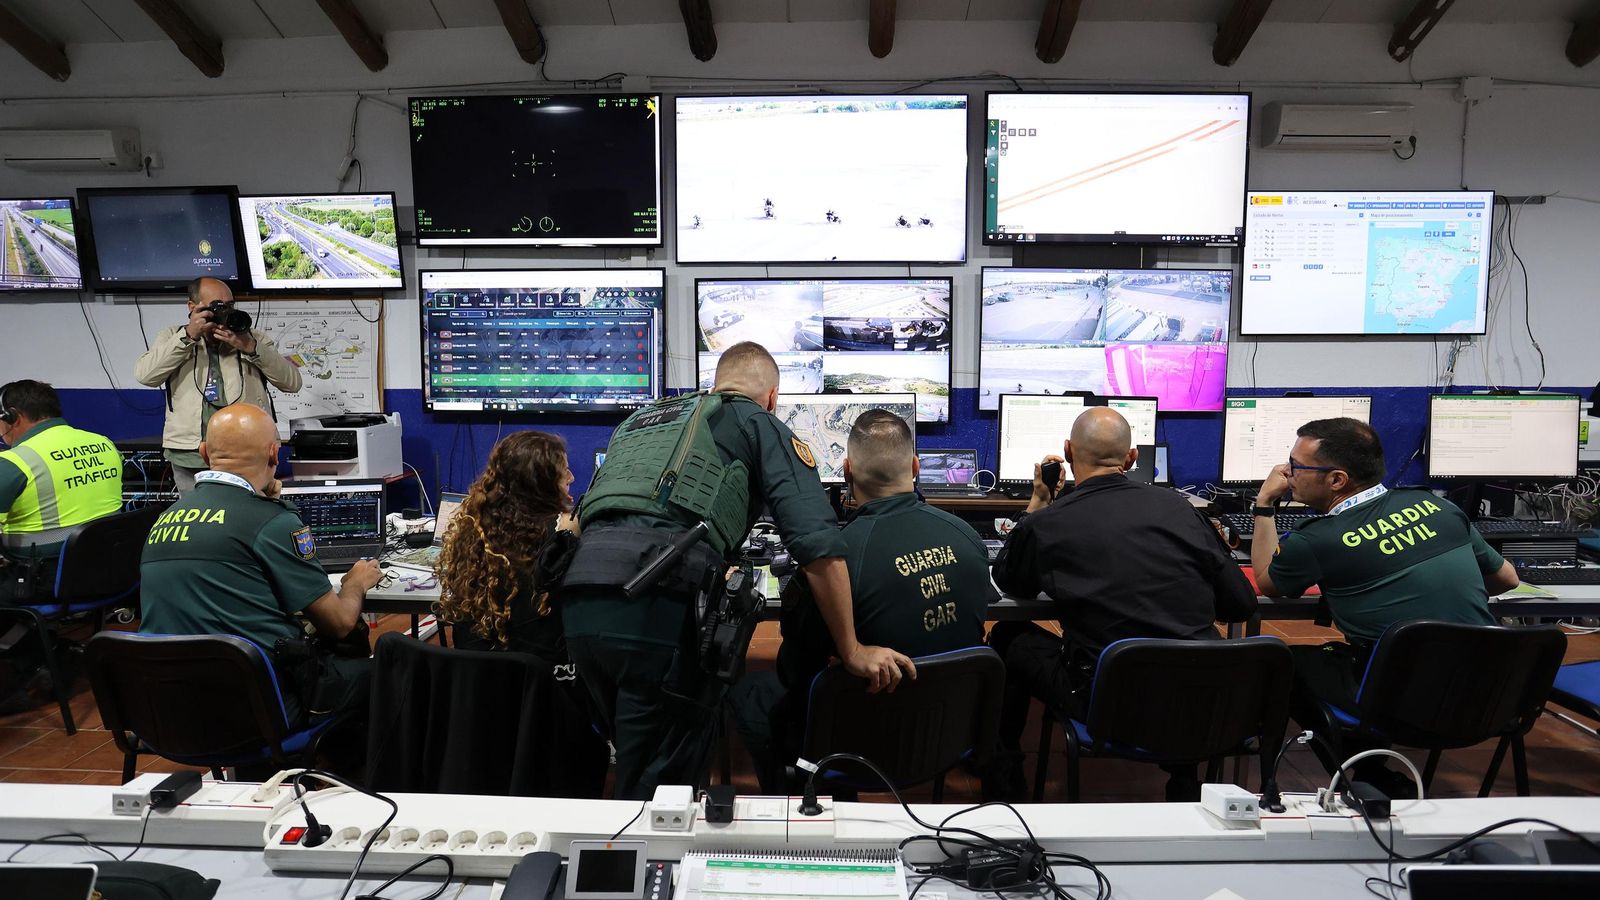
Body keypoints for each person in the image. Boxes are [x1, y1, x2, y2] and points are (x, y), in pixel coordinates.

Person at [560, 341, 915, 800]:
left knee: (635, 755)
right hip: (654, 604)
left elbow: (581, 516)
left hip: (579, 602)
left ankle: (624, 858)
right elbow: (817, 544)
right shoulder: (759, 423)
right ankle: (646, 867)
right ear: (772, 397)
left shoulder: (645, 420)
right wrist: (851, 648)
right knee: (661, 789)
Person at [986, 407, 1258, 801]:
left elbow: (1011, 583)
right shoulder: (1182, 510)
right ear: (1131, 458)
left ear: (1067, 451)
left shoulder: (1048, 523)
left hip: (1108, 704)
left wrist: (1039, 503)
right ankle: (1183, 778)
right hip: (1202, 701)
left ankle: (1004, 780)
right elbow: (1239, 605)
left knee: (1009, 635)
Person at [1250, 417, 1518, 793]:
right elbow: (1507, 579)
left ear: (1337, 480)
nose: (1286, 473)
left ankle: (1367, 776)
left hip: (1402, 705)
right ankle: (1375, 776)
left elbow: (1265, 581)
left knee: (1282, 663)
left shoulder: (1316, 540)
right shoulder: (1435, 507)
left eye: (1296, 466)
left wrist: (1264, 504)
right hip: (1491, 698)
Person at [730, 410, 993, 790]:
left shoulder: (832, 563)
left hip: (852, 746)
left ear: (847, 471)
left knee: (752, 692)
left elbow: (795, 670)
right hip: (944, 736)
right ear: (916, 467)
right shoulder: (968, 539)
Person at [139, 403, 383, 729]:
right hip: (260, 710)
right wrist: (356, 582)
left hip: (171, 713)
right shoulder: (273, 521)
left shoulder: (164, 519)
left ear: (203, 452)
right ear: (273, 454)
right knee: (394, 671)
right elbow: (338, 623)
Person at [0, 380, 122, 712]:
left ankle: (41, 655)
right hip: (110, 576)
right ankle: (49, 650)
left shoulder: (17, 461)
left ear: (14, 415)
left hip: (45, 583)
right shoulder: (102, 444)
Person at [133, 277, 302, 494]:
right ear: (192, 307)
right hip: (190, 452)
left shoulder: (253, 338)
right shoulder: (172, 337)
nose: (225, 312)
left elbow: (292, 383)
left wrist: (251, 348)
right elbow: (146, 376)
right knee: (198, 518)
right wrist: (187, 338)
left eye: (230, 306)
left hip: (248, 452)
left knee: (249, 517)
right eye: (217, 307)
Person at [435, 430, 577, 666]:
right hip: (544, 685)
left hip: (478, 686)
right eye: (564, 472)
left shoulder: (475, 534)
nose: (571, 478)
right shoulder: (559, 540)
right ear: (541, 484)